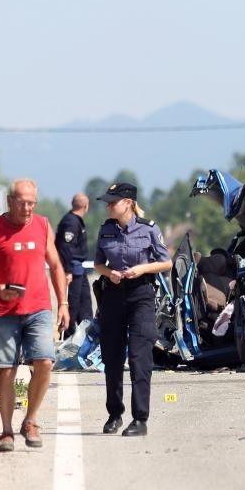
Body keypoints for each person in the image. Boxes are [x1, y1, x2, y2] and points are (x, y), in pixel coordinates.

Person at [0, 178, 70, 452]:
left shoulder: (42, 225)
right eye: (22, 203)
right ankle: (6, 432)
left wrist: (63, 303)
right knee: (7, 371)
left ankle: (31, 420)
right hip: (5, 312)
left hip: (38, 308)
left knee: (45, 362)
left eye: (32, 203)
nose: (27, 208)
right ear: (10, 201)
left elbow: (56, 265)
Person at [94, 182, 171, 437]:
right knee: (112, 357)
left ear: (128, 203)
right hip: (112, 296)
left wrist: (142, 269)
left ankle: (140, 419)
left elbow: (166, 262)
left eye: (112, 202)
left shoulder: (149, 229)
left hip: (141, 296)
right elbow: (98, 263)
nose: (108, 206)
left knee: (140, 358)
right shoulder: (105, 229)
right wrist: (109, 273)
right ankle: (114, 414)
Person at [55, 192, 94, 340]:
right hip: (72, 269)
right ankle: (67, 338)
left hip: (79, 270)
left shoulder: (75, 221)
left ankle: (87, 338)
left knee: (85, 306)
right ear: (86, 206)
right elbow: (65, 248)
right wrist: (68, 271)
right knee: (72, 306)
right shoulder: (71, 222)